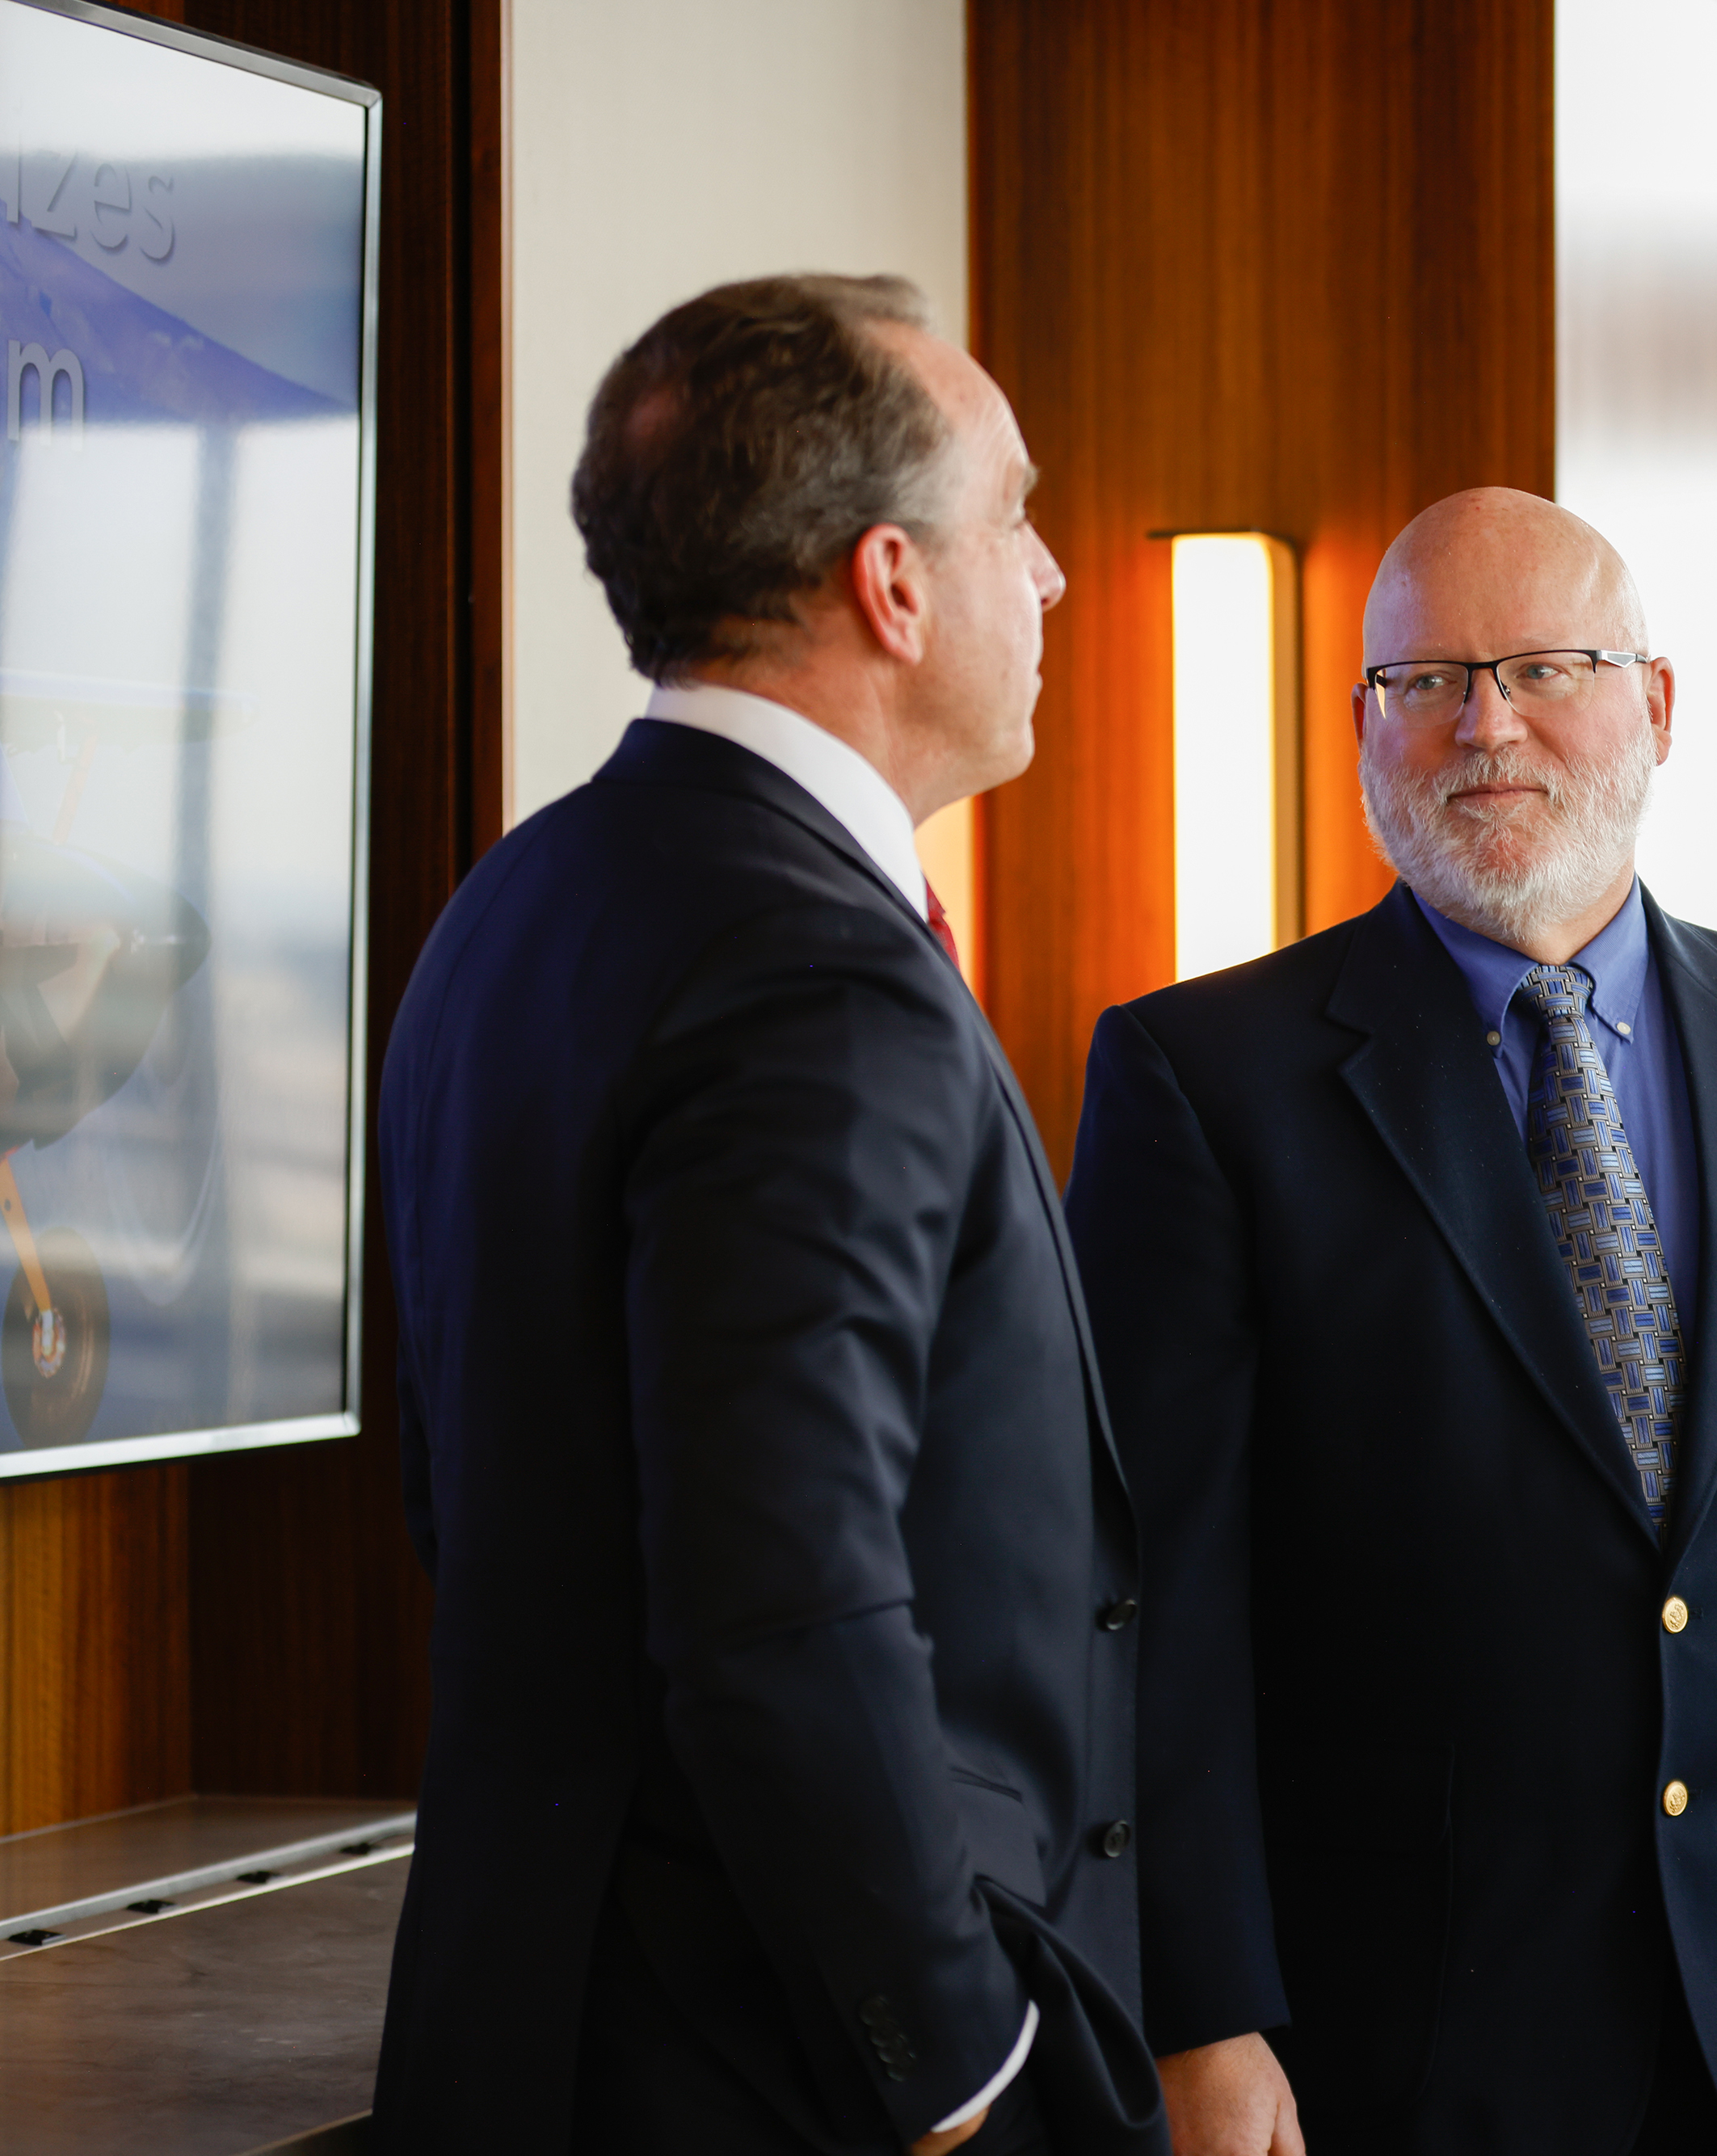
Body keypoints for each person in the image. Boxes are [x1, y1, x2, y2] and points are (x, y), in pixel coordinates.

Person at [1064, 487, 1717, 2156]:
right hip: (1392, 2031)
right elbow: (1152, 1597)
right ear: (1364, 723)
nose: (1485, 724)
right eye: (1425, 680)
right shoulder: (1201, 1084)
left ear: (1655, 705)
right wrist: (1197, 2005)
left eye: (1545, 665)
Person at [375, 276, 1161, 2156]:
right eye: (1017, 520)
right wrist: (958, 2060)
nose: (1048, 577)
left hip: (551, 2012)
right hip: (773, 2063)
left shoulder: (524, 899)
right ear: (891, 584)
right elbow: (781, 1591)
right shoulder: (819, 972)